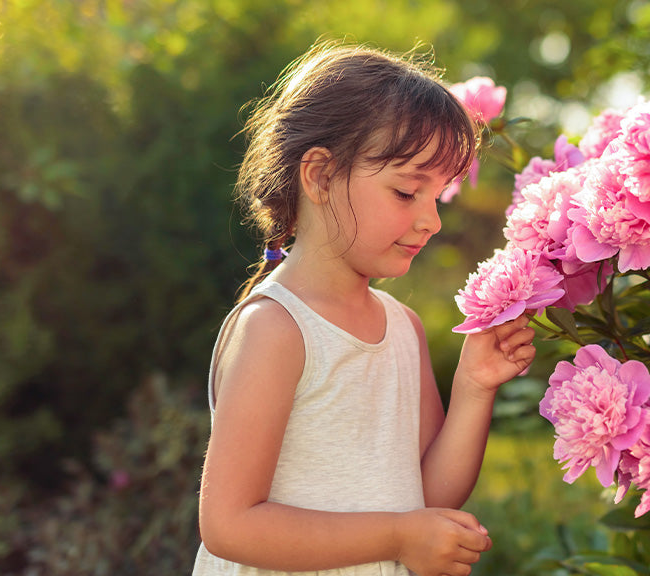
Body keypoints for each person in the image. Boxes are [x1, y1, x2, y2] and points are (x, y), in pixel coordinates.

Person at [193, 42, 536, 576]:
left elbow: (427, 493)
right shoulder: (276, 328)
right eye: (406, 192)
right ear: (321, 176)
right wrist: (399, 537)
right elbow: (229, 524)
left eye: (438, 195)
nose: (432, 220)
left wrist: (473, 387)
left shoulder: (403, 327)